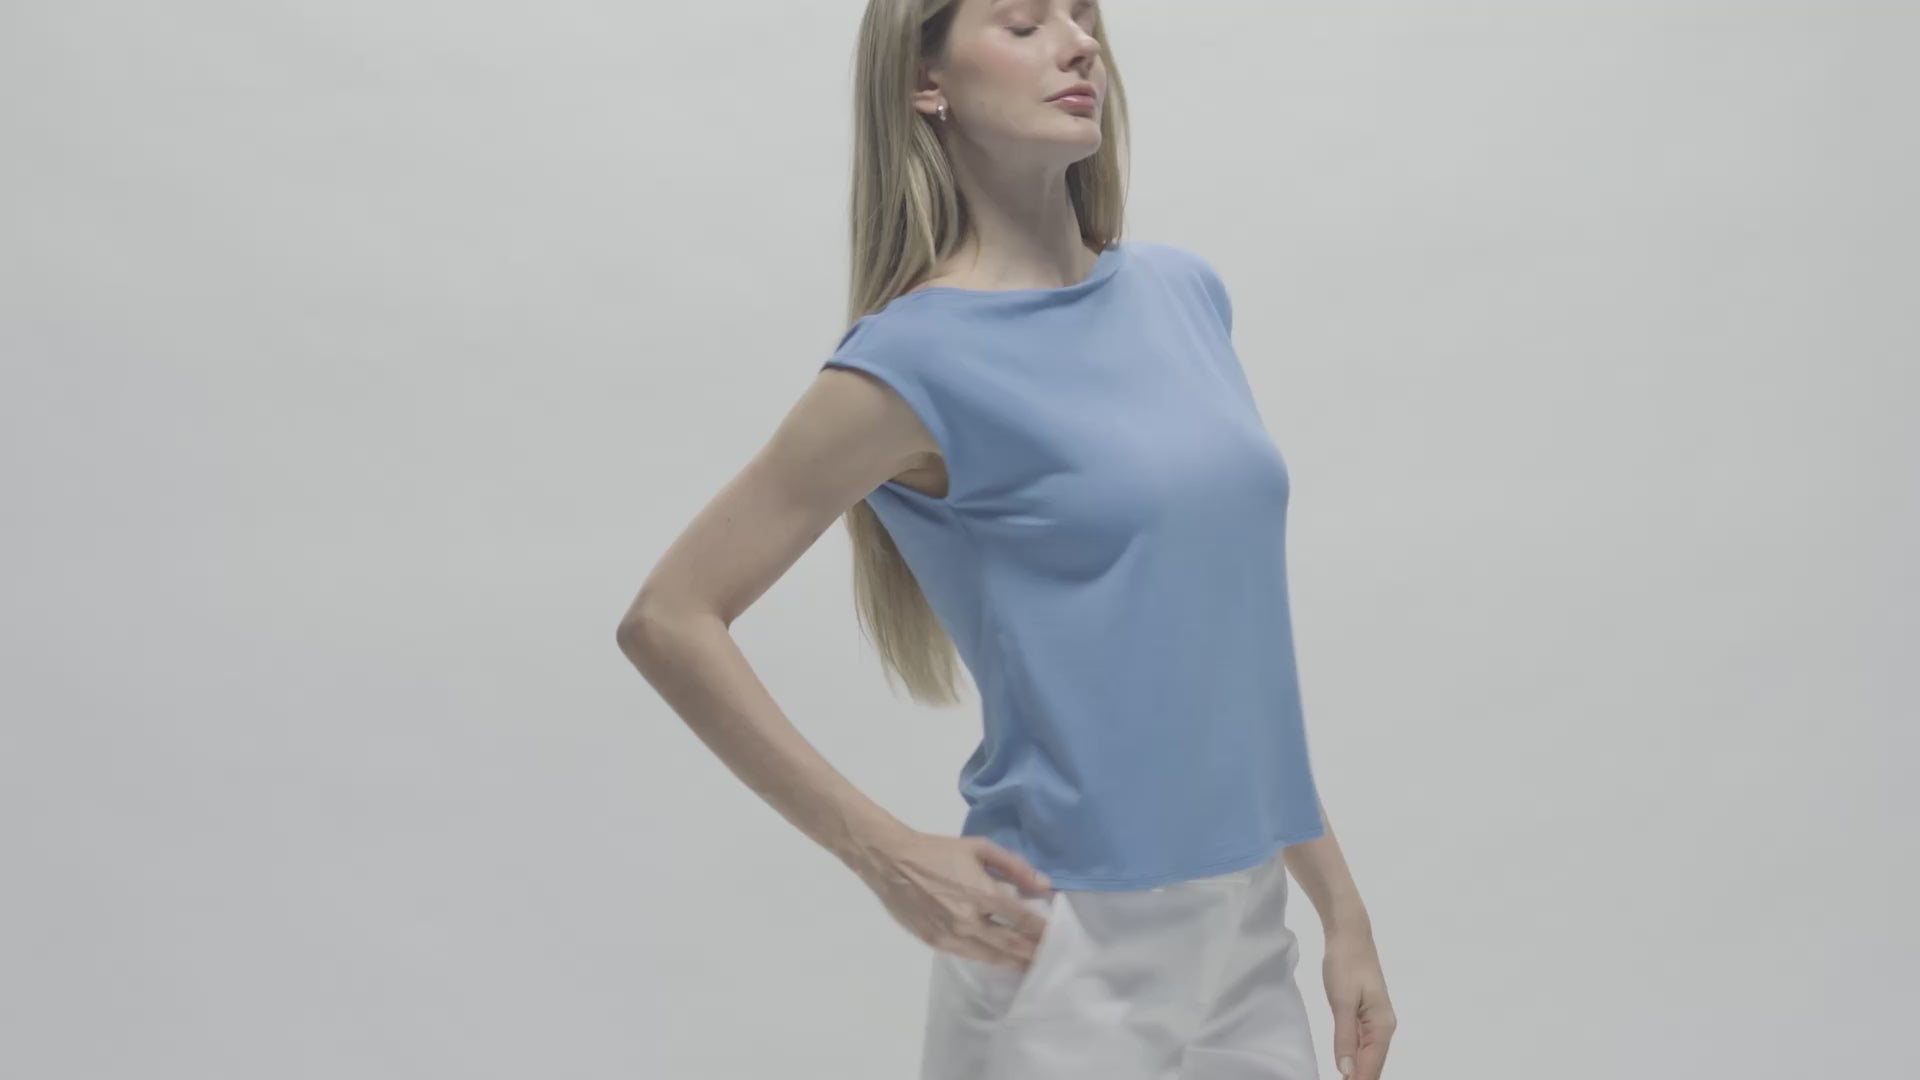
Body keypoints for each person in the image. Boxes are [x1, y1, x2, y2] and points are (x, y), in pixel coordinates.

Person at [617, 1, 1396, 1077]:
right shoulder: (912, 361)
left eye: (1081, 17)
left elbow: (1228, 655)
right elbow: (668, 618)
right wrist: (882, 852)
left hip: (1248, 931)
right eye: (1024, 23)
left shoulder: (1184, 294)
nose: (1077, 43)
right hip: (1058, 947)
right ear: (924, 83)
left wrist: (1341, 907)